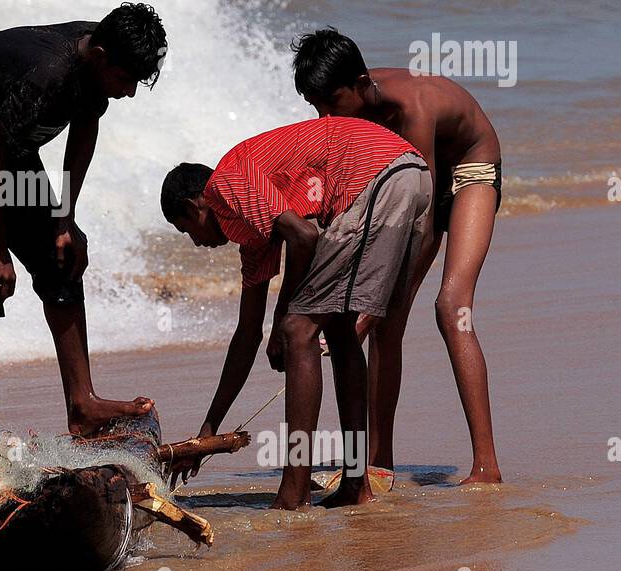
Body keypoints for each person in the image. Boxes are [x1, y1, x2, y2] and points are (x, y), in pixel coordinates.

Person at [0, 4, 166, 434]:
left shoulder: (98, 56)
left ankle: (82, 403)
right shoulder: (49, 74)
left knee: (59, 254)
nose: (129, 93)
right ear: (100, 56)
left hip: (3, 137)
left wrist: (64, 219)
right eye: (126, 80)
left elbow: (84, 128)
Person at [161, 116, 430, 509]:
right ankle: (356, 484)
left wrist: (284, 322)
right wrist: (208, 430)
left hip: (378, 172)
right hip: (410, 175)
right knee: (337, 330)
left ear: (194, 206)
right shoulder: (254, 235)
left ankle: (294, 491)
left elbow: (305, 237)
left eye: (186, 231)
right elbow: (247, 334)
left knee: (299, 329)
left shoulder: (225, 184)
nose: (196, 243)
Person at [292, 28, 503, 484]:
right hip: (414, 181)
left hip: (469, 169)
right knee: (386, 319)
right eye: (316, 108)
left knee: (451, 308)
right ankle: (378, 462)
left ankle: (486, 465)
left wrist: (380, 298)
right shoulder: (350, 108)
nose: (325, 116)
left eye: (331, 103)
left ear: (361, 83)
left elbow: (421, 219)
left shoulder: (413, 108)